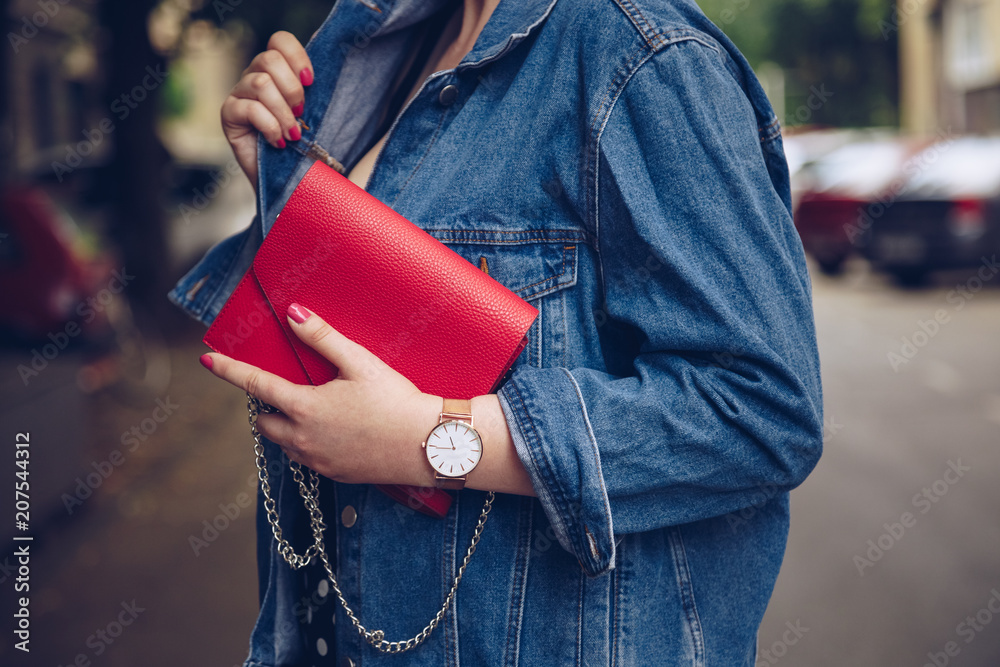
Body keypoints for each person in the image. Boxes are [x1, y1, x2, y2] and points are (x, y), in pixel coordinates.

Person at [169, 0, 824, 664]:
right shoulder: (391, 48)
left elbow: (763, 408)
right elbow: (392, 323)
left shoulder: (639, 53)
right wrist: (282, 182)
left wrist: (430, 440)